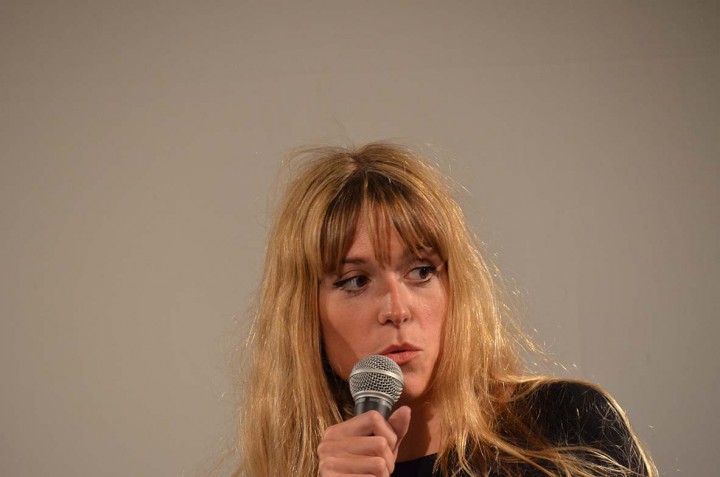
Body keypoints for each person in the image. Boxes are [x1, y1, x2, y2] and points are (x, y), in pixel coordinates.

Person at [233, 142, 656, 476]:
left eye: (420, 272)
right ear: (305, 315)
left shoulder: (566, 427)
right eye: (356, 281)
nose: (397, 309)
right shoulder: (288, 470)